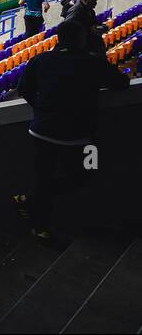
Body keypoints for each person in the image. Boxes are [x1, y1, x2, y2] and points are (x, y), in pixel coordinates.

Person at [15, 18, 127, 241]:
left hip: (42, 131)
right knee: (80, 176)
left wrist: (42, 108)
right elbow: (121, 83)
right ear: (81, 39)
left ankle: (37, 218)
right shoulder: (92, 62)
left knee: (43, 178)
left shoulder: (41, 59)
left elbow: (23, 89)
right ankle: (35, 211)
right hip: (77, 135)